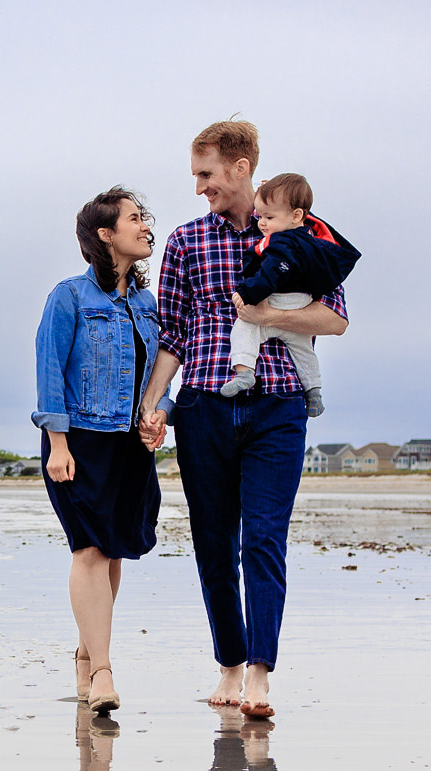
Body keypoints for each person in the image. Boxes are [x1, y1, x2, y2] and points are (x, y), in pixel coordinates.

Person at [139, 121, 348, 718]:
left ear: (239, 166)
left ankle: (259, 674)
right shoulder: (184, 243)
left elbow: (334, 320)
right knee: (212, 545)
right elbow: (173, 336)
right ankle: (228, 663)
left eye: (206, 174)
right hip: (203, 407)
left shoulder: (298, 234)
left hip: (278, 407)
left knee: (262, 540)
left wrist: (263, 315)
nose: (200, 186)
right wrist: (152, 403)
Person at [31, 187, 164, 716]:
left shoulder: (147, 305)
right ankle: (104, 671)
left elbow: (154, 377)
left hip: (130, 442)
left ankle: (88, 652)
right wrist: (57, 443)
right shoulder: (69, 297)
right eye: (135, 219)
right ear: (105, 234)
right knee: (87, 547)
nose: (145, 226)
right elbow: (48, 370)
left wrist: (160, 414)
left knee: (112, 550)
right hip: (79, 438)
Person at [218, 173, 361, 417]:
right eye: (260, 215)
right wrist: (274, 200)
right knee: (304, 351)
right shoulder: (310, 239)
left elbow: (271, 274)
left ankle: (244, 372)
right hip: (302, 304)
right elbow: (299, 214)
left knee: (244, 328)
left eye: (268, 217)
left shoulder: (281, 243)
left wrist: (246, 293)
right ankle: (314, 391)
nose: (261, 223)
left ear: (296, 216)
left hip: (278, 301)